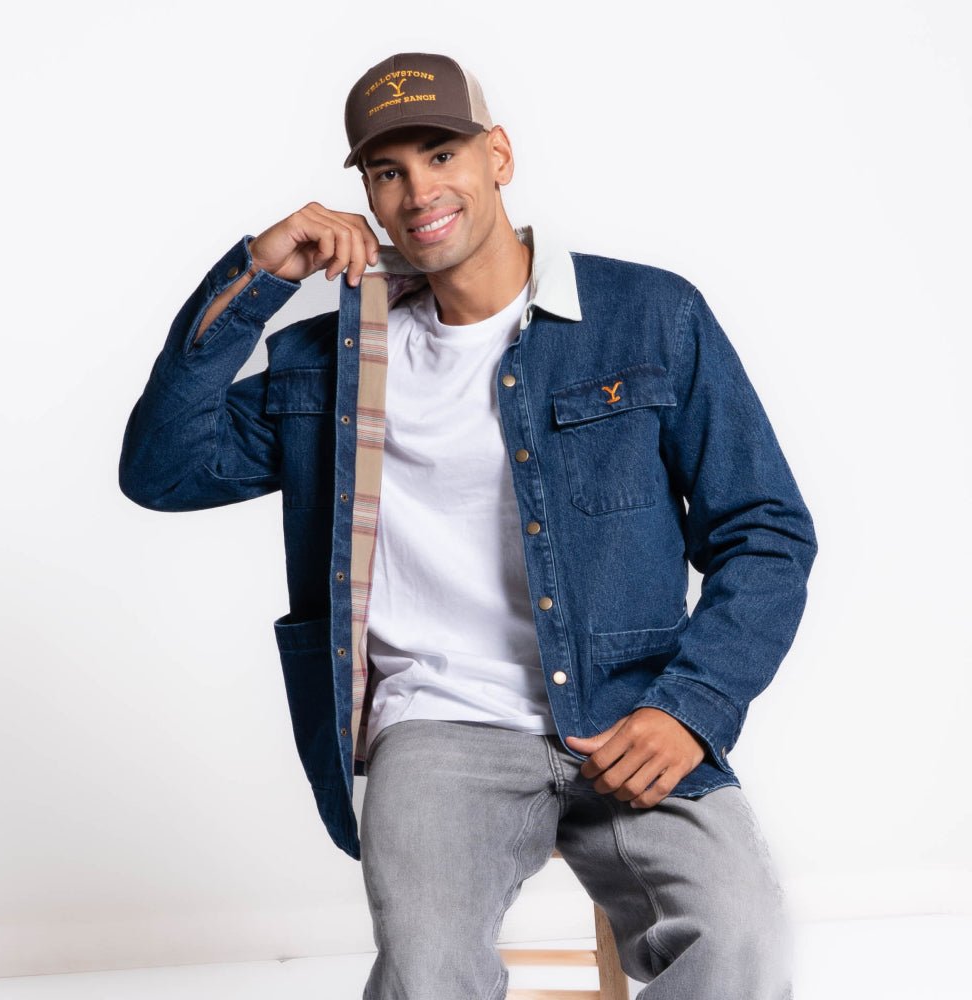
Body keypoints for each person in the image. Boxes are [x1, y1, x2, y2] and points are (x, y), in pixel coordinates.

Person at [120, 51, 817, 999]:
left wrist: (692, 706)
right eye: (388, 172)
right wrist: (257, 276)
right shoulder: (333, 363)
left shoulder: (650, 315)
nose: (418, 192)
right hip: (438, 727)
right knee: (426, 972)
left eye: (441, 155)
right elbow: (160, 471)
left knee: (743, 945)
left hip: (632, 712)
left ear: (499, 156)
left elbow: (765, 531)